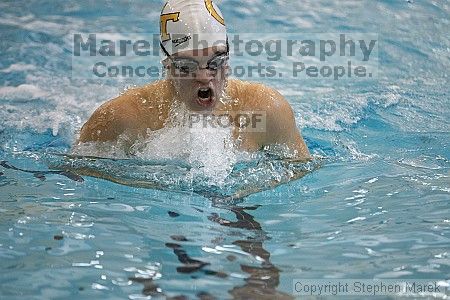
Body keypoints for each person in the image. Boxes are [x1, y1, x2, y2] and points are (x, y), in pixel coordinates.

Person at [76, 0, 310, 161]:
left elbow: (302, 173)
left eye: (216, 62)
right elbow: (74, 175)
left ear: (228, 60)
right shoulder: (123, 117)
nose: (204, 77)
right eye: (186, 67)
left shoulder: (266, 110)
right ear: (167, 65)